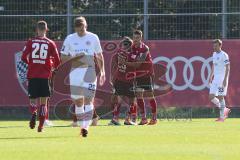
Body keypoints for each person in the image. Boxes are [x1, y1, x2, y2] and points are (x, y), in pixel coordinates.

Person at [61, 17, 105, 137]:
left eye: (84, 27)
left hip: (90, 72)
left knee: (89, 99)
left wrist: (102, 71)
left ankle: (85, 127)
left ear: (86, 25)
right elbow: (63, 57)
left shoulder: (93, 37)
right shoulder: (70, 39)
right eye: (80, 28)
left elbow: (99, 55)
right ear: (75, 28)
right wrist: (75, 57)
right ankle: (82, 126)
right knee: (78, 102)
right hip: (75, 73)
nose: (82, 30)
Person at [21, 20, 61, 132]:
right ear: (46, 30)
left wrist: (32, 63)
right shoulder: (50, 43)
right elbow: (58, 61)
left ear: (37, 30)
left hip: (32, 75)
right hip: (44, 76)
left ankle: (33, 112)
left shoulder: (30, 42)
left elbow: (23, 57)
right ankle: (41, 126)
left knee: (33, 101)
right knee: (43, 103)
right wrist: (52, 66)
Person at [130, 30, 157, 125]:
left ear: (141, 38)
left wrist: (134, 58)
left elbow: (138, 62)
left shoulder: (145, 48)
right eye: (134, 38)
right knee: (138, 95)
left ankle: (154, 118)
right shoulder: (132, 47)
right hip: (137, 75)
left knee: (150, 96)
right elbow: (133, 61)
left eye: (137, 38)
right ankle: (143, 118)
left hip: (146, 74)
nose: (135, 40)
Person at [108, 37, 137, 126]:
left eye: (125, 44)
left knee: (122, 101)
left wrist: (111, 77)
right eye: (124, 44)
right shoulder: (133, 55)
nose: (125, 46)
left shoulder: (118, 54)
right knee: (129, 101)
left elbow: (113, 63)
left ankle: (117, 118)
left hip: (123, 80)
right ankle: (124, 119)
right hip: (125, 81)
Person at [209, 39, 231, 122]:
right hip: (215, 78)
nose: (214, 47)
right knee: (211, 97)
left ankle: (222, 117)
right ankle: (225, 109)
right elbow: (213, 66)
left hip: (222, 78)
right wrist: (211, 76)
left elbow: (228, 67)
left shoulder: (224, 55)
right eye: (213, 45)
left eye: (215, 46)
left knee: (220, 97)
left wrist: (225, 79)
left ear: (220, 46)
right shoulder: (214, 54)